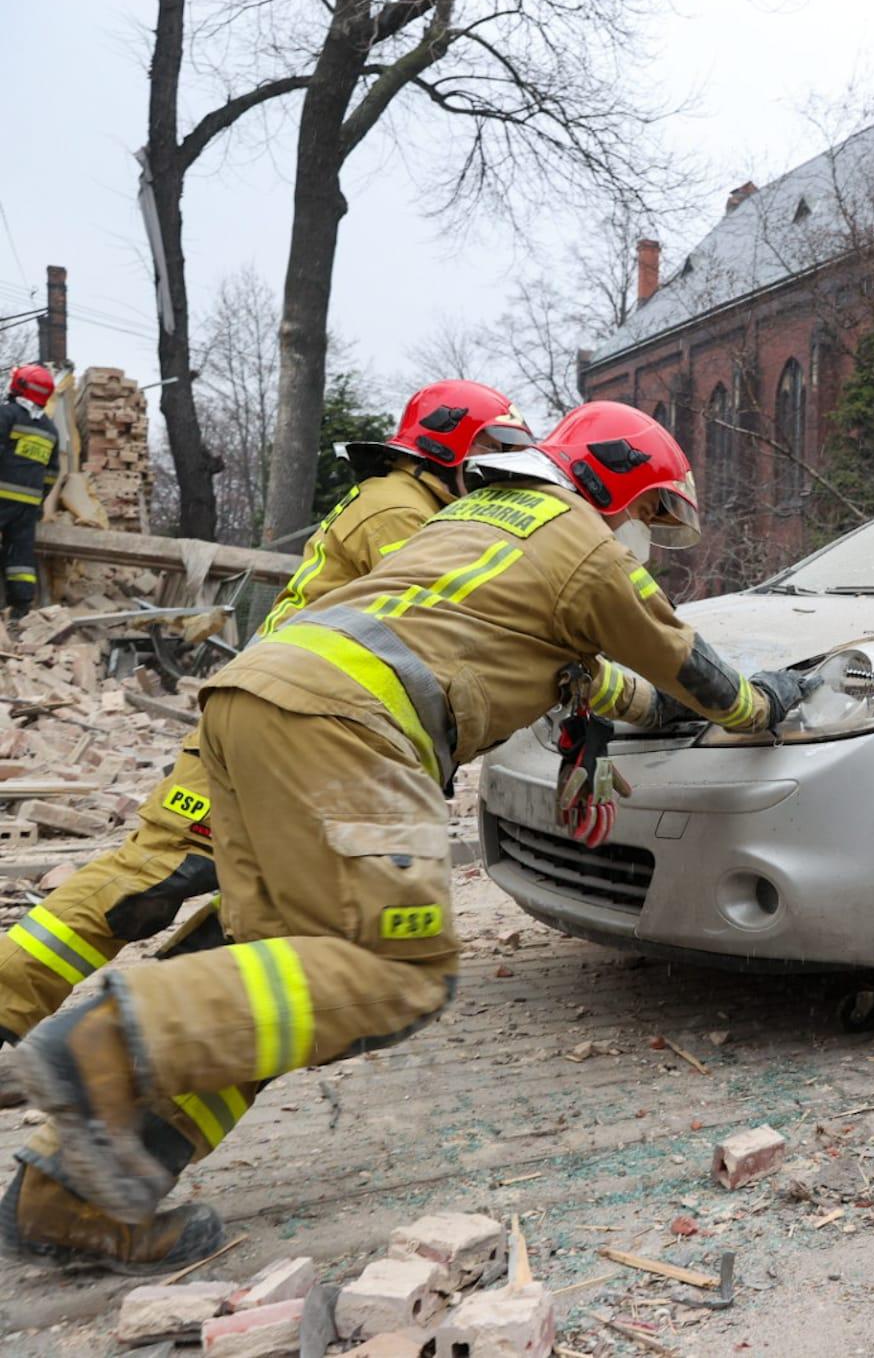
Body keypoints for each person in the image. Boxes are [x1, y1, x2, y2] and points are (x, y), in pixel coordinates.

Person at [10, 403, 808, 1270]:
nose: (638, 535)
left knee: (283, 978)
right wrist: (769, 703)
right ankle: (103, 1049)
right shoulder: (582, 544)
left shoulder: (472, 522)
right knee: (396, 974)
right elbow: (689, 666)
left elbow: (604, 679)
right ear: (611, 481)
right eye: (643, 512)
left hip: (256, 704)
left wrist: (637, 718)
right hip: (351, 726)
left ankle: (75, 1198)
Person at [0, 379, 544, 1270]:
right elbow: (467, 622)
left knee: (259, 977)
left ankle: (75, 1186)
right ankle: (54, 1060)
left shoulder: (403, 510)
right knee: (132, 893)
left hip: (287, 754)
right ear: (456, 454)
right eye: (491, 464)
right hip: (266, 756)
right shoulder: (398, 511)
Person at [0, 365, 58, 620]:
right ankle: (21, 606)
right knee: (20, 553)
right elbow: (52, 472)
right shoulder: (50, 430)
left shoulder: (6, 415)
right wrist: (38, 499)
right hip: (29, 503)